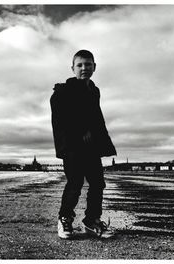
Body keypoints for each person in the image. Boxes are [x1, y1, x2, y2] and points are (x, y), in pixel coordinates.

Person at [50, 50, 116, 239]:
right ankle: (65, 219)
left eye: (88, 64)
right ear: (72, 69)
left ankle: (91, 220)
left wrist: (100, 139)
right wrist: (81, 132)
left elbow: (97, 118)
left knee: (97, 183)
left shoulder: (94, 90)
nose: (84, 68)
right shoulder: (63, 92)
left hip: (91, 147)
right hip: (72, 147)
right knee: (75, 183)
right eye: (79, 65)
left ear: (94, 67)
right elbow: (60, 120)